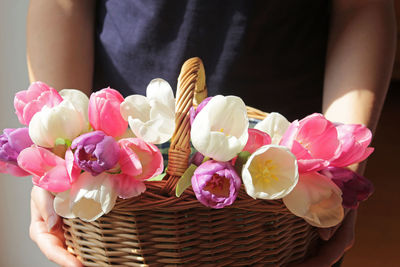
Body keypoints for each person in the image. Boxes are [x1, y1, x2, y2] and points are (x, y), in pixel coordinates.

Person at [26, 0, 396, 266]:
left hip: (289, 166)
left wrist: (337, 177)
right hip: (122, 163)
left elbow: (360, 7)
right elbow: (61, 5)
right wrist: (58, 163)